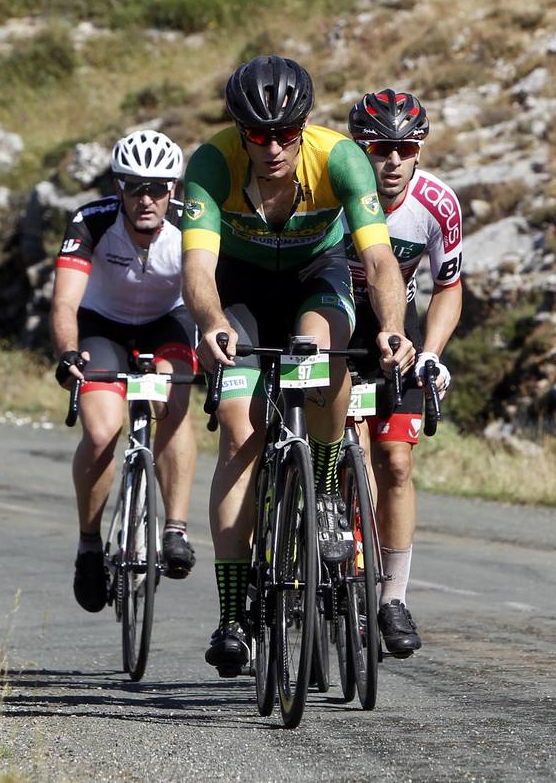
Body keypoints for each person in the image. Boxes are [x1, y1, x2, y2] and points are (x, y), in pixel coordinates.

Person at [181, 56, 414, 676]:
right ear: (240, 130)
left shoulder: (340, 158)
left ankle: (331, 486)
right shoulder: (210, 163)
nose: (275, 146)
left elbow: (381, 260)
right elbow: (199, 270)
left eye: (287, 133)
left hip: (316, 277)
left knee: (320, 359)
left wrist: (391, 327)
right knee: (237, 428)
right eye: (259, 135)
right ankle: (232, 615)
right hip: (241, 288)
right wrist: (211, 324)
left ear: (304, 127)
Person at [50, 130, 200, 613]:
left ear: (173, 189)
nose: (146, 198)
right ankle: (89, 544)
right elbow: (65, 301)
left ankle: (174, 529)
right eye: (134, 186)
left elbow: (208, 292)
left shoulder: (190, 223)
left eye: (158, 187)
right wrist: (68, 352)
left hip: (167, 323)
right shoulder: (91, 221)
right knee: (100, 431)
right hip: (103, 326)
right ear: (119, 187)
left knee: (172, 401)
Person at [343, 89, 463, 658]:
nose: (391, 161)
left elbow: (448, 286)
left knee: (395, 460)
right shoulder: (333, 193)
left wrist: (434, 350)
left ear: (418, 150)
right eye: (378, 147)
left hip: (399, 330)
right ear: (359, 148)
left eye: (404, 148)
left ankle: (392, 598)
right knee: (354, 456)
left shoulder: (437, 202)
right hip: (335, 323)